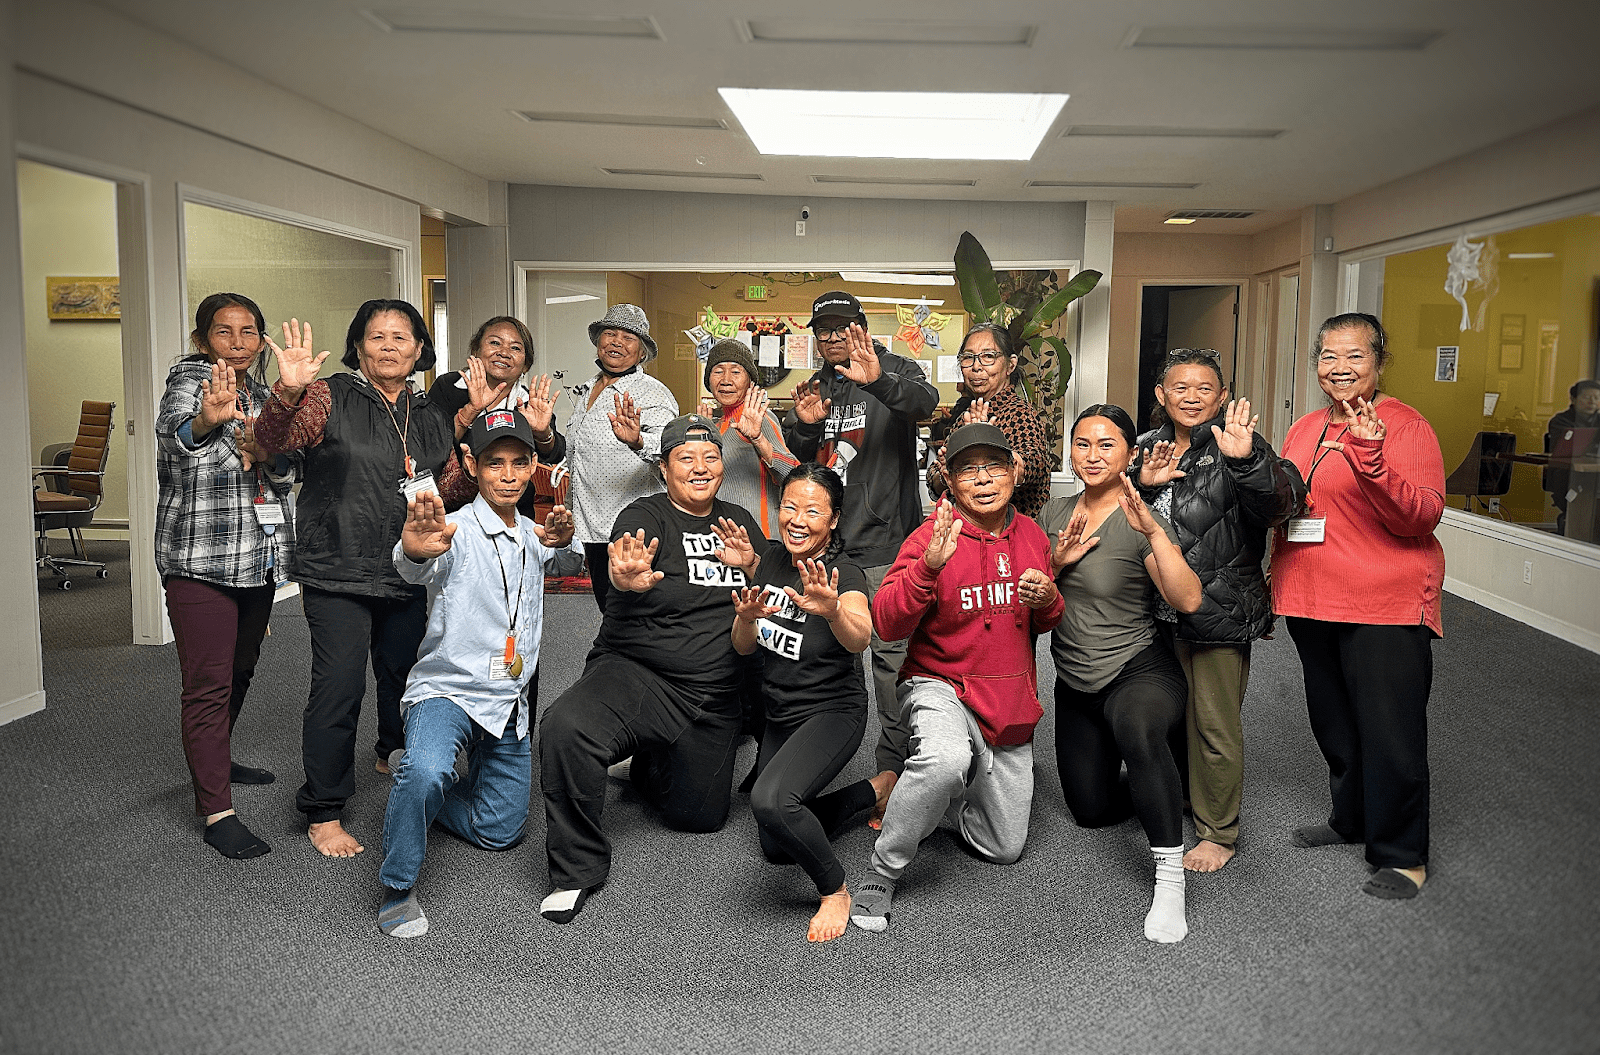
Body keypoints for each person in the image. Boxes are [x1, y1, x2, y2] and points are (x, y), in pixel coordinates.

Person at [255, 301, 474, 858]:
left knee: (403, 676)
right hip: (338, 568)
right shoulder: (328, 396)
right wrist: (285, 394)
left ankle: (391, 750)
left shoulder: (429, 416)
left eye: (402, 337)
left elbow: (447, 490)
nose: (390, 346)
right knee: (339, 686)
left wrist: (474, 469)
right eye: (376, 337)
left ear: (421, 350)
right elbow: (276, 443)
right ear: (358, 348)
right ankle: (324, 808)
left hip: (405, 567)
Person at [538, 415, 765, 924]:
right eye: (686, 458)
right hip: (638, 673)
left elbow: (770, 595)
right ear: (664, 469)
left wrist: (754, 567)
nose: (700, 467)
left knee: (699, 819)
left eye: (710, 458)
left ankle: (646, 762)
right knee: (565, 727)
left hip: (712, 691)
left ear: (722, 468)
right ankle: (575, 870)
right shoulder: (643, 517)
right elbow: (624, 563)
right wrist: (625, 580)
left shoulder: (739, 523)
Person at [850, 423, 1063, 933]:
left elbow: (1049, 619)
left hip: (1006, 699)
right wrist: (926, 569)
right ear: (950, 479)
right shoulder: (932, 534)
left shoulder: (1033, 536)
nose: (984, 479)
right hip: (939, 683)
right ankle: (885, 868)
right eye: (969, 469)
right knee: (944, 760)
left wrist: (1049, 599)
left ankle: (943, 799)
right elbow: (886, 621)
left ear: (1014, 472)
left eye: (994, 466)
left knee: (1004, 847)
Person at [376, 409, 576, 938]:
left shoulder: (535, 535)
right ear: (472, 464)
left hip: (508, 697)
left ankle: (419, 787)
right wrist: (412, 550)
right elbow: (416, 559)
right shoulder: (454, 530)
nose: (507, 475)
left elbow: (567, 559)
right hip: (450, 689)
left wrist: (567, 538)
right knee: (427, 771)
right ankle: (397, 884)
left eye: (518, 463)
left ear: (533, 466)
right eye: (494, 464)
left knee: (500, 831)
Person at [1272, 313, 1445, 901]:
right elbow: (1293, 501)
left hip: (1384, 602)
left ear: (1378, 360)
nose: (1338, 368)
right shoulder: (1305, 427)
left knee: (1390, 728)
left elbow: (1419, 516)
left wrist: (1372, 459)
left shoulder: (1405, 426)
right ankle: (1351, 817)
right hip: (1312, 595)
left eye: (1354, 356)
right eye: (1327, 356)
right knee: (1335, 720)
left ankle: (1401, 853)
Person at [1133, 349, 1305, 872]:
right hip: (1156, 606)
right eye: (1179, 387)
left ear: (1222, 396)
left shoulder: (1240, 447)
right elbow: (1135, 515)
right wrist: (1144, 484)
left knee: (1215, 724)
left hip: (1219, 607)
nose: (1191, 397)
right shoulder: (1146, 449)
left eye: (1204, 387)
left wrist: (1246, 461)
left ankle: (1219, 832)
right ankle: (1185, 796)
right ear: (1160, 396)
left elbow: (1285, 504)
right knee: (1169, 712)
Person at [1037, 404, 1203, 943]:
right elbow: (1030, 599)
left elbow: (1188, 599)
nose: (1092, 455)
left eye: (1107, 444)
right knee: (1090, 811)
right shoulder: (1054, 514)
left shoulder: (1140, 517)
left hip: (1138, 668)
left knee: (1137, 728)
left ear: (1130, 454)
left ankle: (1170, 878)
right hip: (1076, 680)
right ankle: (1164, 771)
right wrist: (1056, 564)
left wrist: (1154, 531)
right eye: (1082, 443)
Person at [782, 290, 940, 811]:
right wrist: (803, 427)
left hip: (880, 545)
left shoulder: (893, 366)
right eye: (822, 329)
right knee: (824, 649)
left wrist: (878, 382)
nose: (831, 337)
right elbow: (813, 459)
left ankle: (892, 776)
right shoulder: (820, 383)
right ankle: (805, 761)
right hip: (826, 544)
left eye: (841, 327)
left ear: (862, 327)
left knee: (890, 664)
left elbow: (926, 404)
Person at [154, 292, 298, 859]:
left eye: (247, 332)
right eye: (222, 331)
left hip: (257, 559)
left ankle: (218, 754)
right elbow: (176, 440)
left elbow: (288, 470)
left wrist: (272, 451)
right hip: (200, 562)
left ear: (261, 339)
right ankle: (216, 810)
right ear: (201, 339)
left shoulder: (266, 395)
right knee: (208, 684)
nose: (235, 343)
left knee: (241, 669)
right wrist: (206, 423)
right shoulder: (189, 385)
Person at [731, 464, 892, 943]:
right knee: (777, 844)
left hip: (832, 712)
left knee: (770, 800)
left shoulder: (849, 574)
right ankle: (875, 791)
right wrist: (746, 618)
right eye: (789, 507)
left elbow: (861, 637)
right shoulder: (771, 560)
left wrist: (834, 608)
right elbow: (743, 647)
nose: (797, 520)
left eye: (813, 511)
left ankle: (835, 890)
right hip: (782, 710)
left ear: (835, 519)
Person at [564, 304, 679, 612]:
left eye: (628, 337)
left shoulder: (651, 393)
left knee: (636, 612)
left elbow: (672, 449)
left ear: (642, 352)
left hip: (633, 525)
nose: (616, 342)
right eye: (609, 333)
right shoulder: (587, 389)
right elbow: (577, 455)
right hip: (591, 524)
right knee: (609, 608)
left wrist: (638, 440)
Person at [925, 322, 1053, 517]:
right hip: (966, 537)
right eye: (968, 358)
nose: (976, 367)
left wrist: (981, 443)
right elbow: (934, 481)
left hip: (1013, 538)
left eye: (988, 357)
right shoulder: (966, 417)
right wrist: (945, 474)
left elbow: (1032, 465)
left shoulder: (1020, 413)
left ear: (1010, 365)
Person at [427, 315, 565, 481]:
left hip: (515, 501)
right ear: (475, 351)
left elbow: (554, 455)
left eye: (515, 348)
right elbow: (430, 447)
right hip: (453, 501)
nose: (504, 353)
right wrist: (471, 410)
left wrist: (542, 434)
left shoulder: (529, 403)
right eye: (495, 343)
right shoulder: (449, 386)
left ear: (526, 366)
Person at [700, 338, 800, 539]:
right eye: (718, 371)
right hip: (723, 541)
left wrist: (758, 438)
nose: (726, 379)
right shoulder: (716, 426)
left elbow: (794, 476)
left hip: (760, 542)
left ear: (750, 381)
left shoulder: (758, 417)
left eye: (736, 372)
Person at [1544, 379, 1600, 534]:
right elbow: (1563, 450)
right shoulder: (1560, 421)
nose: (1592, 402)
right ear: (1574, 399)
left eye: (1596, 398)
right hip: (1568, 475)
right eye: (1587, 397)